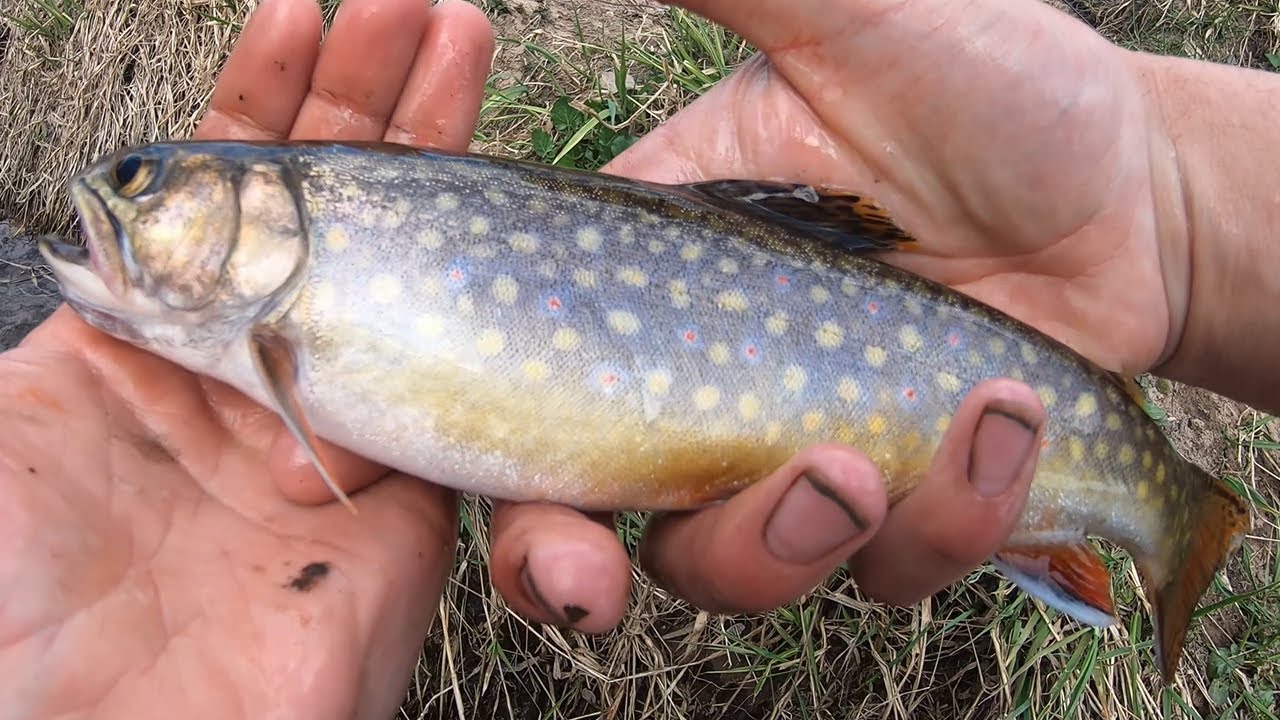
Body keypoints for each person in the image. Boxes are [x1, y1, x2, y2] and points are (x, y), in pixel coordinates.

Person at [2, 0, 1276, 716]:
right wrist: (1167, 203)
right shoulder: (279, 308)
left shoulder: (308, 293)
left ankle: (1140, 515)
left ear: (259, 211)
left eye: (141, 185)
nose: (112, 201)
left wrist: (1163, 200)